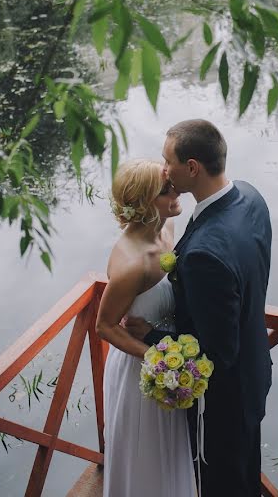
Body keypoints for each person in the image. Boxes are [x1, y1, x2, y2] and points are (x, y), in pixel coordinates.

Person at [126, 119, 273, 496]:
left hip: (223, 401)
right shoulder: (250, 197)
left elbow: (217, 352)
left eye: (167, 160)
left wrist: (152, 335)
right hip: (254, 372)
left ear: (191, 168)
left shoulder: (205, 255)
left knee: (221, 484)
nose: (163, 169)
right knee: (245, 477)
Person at [95, 159, 195, 497]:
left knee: (168, 452)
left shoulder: (165, 229)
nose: (176, 191)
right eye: (166, 190)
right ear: (143, 204)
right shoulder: (133, 264)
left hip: (163, 352)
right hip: (143, 370)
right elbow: (104, 325)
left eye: (171, 183)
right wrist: (157, 356)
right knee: (146, 457)